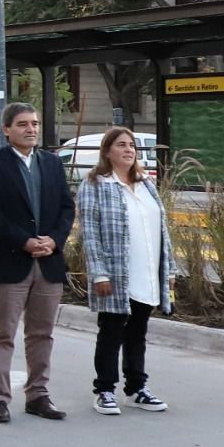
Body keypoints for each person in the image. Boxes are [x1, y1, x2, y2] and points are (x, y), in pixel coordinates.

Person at [0, 102, 75, 424]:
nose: (31, 129)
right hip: (10, 261)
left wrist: (54, 241)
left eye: (34, 123)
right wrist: (24, 241)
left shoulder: (52, 163)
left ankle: (38, 395)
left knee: (42, 333)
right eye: (22, 124)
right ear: (6, 130)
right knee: (3, 334)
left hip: (48, 262)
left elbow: (66, 208)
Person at [79, 127, 174, 415]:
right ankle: (105, 390)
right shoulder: (95, 184)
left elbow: (162, 229)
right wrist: (99, 273)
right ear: (107, 151)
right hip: (116, 272)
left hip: (146, 271)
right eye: (121, 145)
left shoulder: (146, 185)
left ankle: (136, 388)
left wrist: (169, 269)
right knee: (111, 330)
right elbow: (89, 232)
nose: (129, 150)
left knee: (137, 332)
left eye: (131, 145)